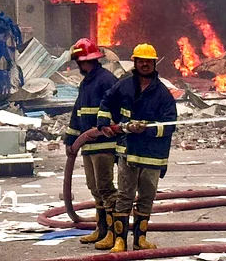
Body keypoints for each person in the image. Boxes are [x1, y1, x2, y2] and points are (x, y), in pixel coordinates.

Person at [96, 43, 176, 252]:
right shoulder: (124, 86)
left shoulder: (163, 94)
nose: (144, 65)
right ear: (135, 63)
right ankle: (120, 241)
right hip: (129, 152)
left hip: (152, 155)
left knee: (147, 198)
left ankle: (140, 240)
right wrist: (104, 124)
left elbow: (170, 125)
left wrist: (146, 129)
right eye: (141, 61)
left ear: (154, 63)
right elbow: (106, 102)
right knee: (124, 196)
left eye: (148, 61)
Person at [64, 38, 119, 250]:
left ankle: (114, 233)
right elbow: (78, 113)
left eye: (78, 61)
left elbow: (119, 112)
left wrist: (106, 128)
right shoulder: (86, 83)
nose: (78, 65)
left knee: (106, 189)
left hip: (104, 145)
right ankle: (101, 229)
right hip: (87, 145)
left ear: (85, 61)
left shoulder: (106, 81)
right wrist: (71, 139)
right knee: (95, 189)